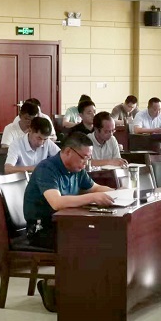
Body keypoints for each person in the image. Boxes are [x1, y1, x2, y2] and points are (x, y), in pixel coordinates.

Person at [24, 132, 114, 311]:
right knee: (84, 241)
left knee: (101, 236)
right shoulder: (47, 168)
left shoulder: (77, 169)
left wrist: (121, 193)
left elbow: (95, 188)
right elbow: (56, 202)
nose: (85, 163)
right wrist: (92, 198)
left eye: (88, 158)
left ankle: (87, 290)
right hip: (41, 230)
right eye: (83, 157)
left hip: (65, 226)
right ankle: (56, 287)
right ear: (67, 152)